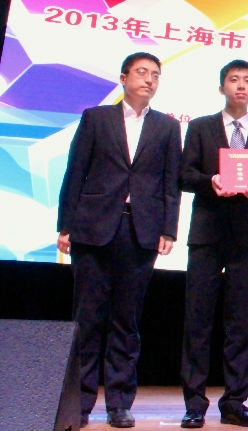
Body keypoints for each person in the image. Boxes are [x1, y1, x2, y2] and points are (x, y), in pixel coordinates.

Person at [57, 52, 181, 428]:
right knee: (88, 317)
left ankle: (119, 403)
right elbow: (75, 171)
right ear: (124, 78)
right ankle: (77, 403)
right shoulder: (96, 118)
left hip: (140, 230)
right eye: (142, 72)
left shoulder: (167, 126)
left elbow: (170, 183)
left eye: (155, 74)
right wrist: (66, 225)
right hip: (93, 227)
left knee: (127, 321)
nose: (149, 79)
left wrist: (168, 229)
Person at [179, 60, 248, 428]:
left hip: (247, 236)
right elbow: (184, 175)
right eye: (233, 80)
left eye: (247, 81)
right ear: (221, 87)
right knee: (198, 320)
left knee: (241, 323)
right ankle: (194, 403)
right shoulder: (200, 127)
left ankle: (235, 402)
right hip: (207, 233)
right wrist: (211, 181)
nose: (241, 86)